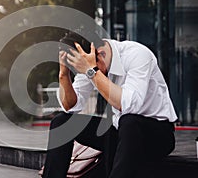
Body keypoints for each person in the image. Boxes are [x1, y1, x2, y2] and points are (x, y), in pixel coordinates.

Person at [42, 33, 178, 178]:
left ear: (100, 53)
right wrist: (64, 74)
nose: (84, 72)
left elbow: (130, 106)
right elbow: (71, 106)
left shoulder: (137, 55)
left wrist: (91, 71)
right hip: (121, 132)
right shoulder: (91, 62)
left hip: (157, 135)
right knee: (62, 122)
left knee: (129, 121)